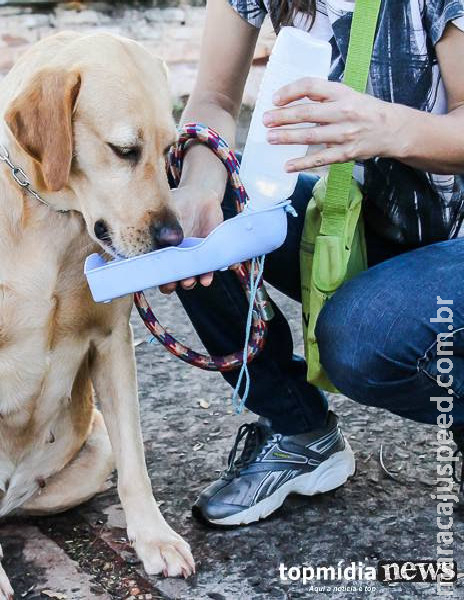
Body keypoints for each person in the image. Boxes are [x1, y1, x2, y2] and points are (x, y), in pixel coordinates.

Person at [166, 0, 464, 526]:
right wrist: (198, 188)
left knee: (361, 335)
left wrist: (390, 127)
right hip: (362, 210)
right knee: (177, 210)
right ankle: (297, 428)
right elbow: (212, 98)